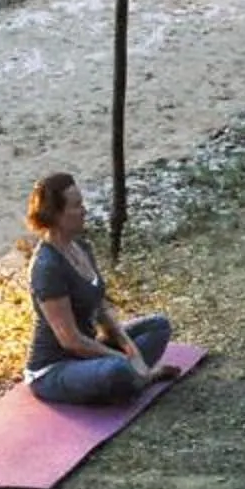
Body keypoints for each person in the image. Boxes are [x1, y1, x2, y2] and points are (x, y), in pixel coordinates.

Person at [22, 171, 178, 405]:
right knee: (117, 370)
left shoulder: (81, 246)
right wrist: (124, 360)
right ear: (55, 215)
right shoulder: (47, 267)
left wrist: (130, 349)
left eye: (82, 203)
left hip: (88, 352)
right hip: (55, 368)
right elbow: (70, 341)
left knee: (158, 326)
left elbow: (101, 310)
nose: (84, 211)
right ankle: (140, 377)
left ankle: (135, 377)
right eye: (76, 206)